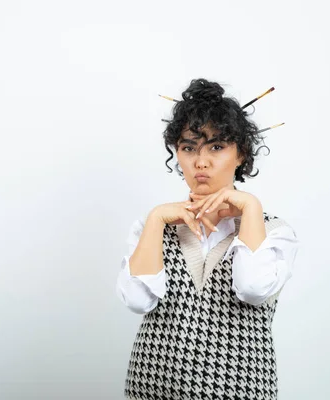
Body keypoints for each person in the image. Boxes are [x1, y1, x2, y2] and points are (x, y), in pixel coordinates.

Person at [116, 78, 300, 400]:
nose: (201, 161)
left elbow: (252, 289)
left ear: (241, 153)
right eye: (189, 148)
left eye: (217, 146)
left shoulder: (275, 232)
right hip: (151, 390)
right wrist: (158, 218)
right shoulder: (153, 226)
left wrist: (251, 207)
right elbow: (136, 300)